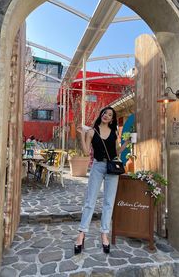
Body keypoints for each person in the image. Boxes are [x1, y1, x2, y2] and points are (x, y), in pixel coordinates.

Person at [74, 106, 130, 254]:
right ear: (101, 114)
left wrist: (127, 142)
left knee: (108, 202)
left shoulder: (114, 132)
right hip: (98, 167)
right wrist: (81, 134)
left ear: (112, 119)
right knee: (90, 201)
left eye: (110, 114)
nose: (106, 115)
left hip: (112, 168)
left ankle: (104, 233)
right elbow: (86, 152)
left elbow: (116, 151)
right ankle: (82, 234)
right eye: (105, 112)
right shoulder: (92, 131)